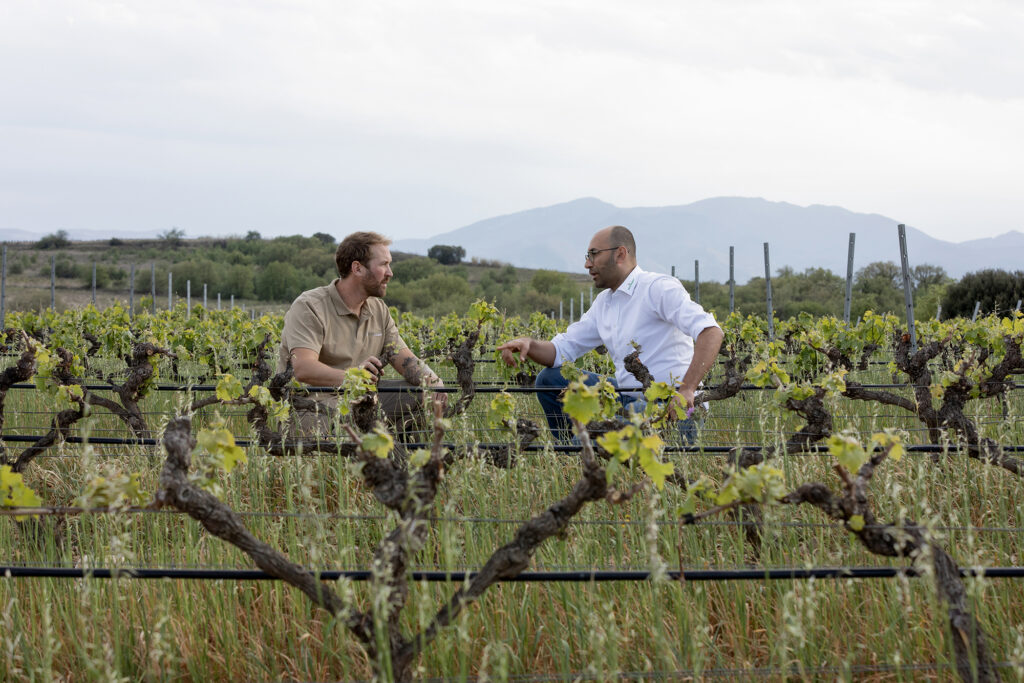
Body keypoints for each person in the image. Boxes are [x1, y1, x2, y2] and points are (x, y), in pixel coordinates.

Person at [497, 225, 723, 443]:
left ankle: (583, 448)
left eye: (593, 254)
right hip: (628, 398)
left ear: (620, 254)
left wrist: (687, 389)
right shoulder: (604, 303)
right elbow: (562, 350)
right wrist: (528, 344)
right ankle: (570, 451)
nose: (587, 264)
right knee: (549, 379)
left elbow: (711, 332)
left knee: (598, 439)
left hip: (672, 408)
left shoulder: (658, 288)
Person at [277, 231, 443, 434]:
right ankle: (367, 445)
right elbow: (303, 368)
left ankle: (393, 454)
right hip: (310, 406)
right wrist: (355, 376)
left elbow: (403, 358)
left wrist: (434, 382)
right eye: (383, 264)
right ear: (357, 268)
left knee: (421, 393)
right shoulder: (310, 306)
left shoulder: (378, 309)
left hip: (360, 402)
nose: (390, 272)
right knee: (339, 427)